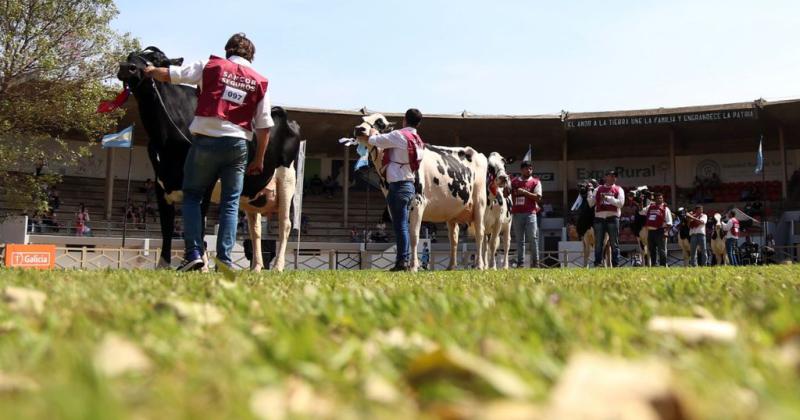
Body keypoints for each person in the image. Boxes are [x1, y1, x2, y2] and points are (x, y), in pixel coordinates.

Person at [145, 33, 273, 271]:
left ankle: (193, 253)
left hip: (206, 140)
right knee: (230, 203)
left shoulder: (210, 65)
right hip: (238, 146)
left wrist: (150, 70)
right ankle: (224, 261)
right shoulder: (260, 81)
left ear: (228, 51)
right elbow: (265, 127)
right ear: (251, 56)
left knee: (193, 195)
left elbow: (172, 75)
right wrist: (259, 159)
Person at [359, 108, 425, 272]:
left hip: (398, 185)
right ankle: (404, 260)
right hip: (409, 184)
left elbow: (374, 140)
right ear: (418, 123)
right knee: (403, 225)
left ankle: (402, 261)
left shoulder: (399, 135)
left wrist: (373, 131)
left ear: (404, 120)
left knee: (401, 226)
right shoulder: (418, 139)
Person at [587, 170, 625, 267]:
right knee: (598, 243)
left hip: (613, 218)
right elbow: (591, 203)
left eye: (614, 176)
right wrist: (589, 191)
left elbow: (620, 204)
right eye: (611, 176)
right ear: (605, 177)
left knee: (614, 243)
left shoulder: (618, 189)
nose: (613, 178)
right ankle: (598, 263)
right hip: (599, 218)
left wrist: (608, 198)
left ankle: (615, 264)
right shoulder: (598, 189)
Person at [510, 161, 542, 268]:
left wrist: (524, 192)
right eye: (527, 168)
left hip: (530, 213)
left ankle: (536, 263)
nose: (529, 170)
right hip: (516, 214)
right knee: (519, 240)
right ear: (521, 170)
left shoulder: (535, 182)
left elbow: (538, 197)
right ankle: (521, 263)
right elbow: (506, 194)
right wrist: (506, 187)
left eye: (530, 168)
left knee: (533, 238)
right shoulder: (513, 182)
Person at [640, 192, 672, 266]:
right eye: (658, 198)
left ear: (663, 199)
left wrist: (666, 232)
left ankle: (663, 265)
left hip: (660, 231)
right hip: (651, 232)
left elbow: (669, 222)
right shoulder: (650, 207)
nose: (659, 199)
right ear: (655, 199)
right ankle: (654, 265)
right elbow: (641, 212)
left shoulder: (665, 209)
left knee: (661, 250)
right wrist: (641, 202)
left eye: (661, 198)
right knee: (652, 250)